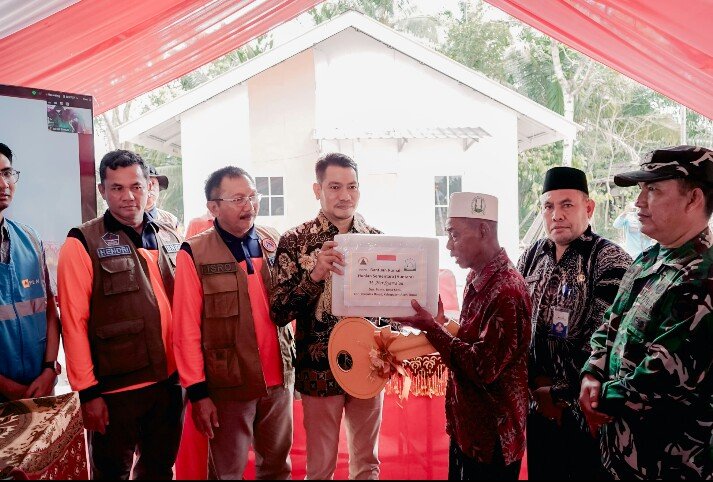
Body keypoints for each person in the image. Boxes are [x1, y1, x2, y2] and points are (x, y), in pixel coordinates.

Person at [580, 145, 713, 480]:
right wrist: (591, 372)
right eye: (641, 190)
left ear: (693, 199)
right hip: (620, 456)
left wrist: (598, 400)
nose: (638, 202)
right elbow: (609, 325)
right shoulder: (649, 259)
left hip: (669, 464)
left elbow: (663, 375)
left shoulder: (703, 277)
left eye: (653, 190)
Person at [57, 149, 184, 479]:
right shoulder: (82, 242)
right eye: (117, 188)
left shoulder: (169, 235)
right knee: (111, 473)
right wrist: (88, 393)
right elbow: (73, 323)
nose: (129, 196)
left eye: (136, 186)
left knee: (159, 471)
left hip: (170, 385)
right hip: (115, 392)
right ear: (103, 191)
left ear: (149, 186)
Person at [394, 192, 531, 480]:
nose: (449, 245)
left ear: (483, 231)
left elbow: (482, 368)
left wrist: (433, 329)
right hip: (468, 430)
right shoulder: (478, 277)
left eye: (454, 235)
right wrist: (441, 324)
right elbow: (471, 339)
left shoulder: (506, 291)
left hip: (493, 438)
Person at [173, 166, 295, 479]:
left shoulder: (272, 240)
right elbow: (185, 329)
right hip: (229, 383)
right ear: (213, 207)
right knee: (227, 472)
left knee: (278, 468)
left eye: (253, 197)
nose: (249, 205)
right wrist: (198, 393)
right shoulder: (194, 253)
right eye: (238, 199)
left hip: (278, 380)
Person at [271, 152, 383, 480]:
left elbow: (388, 311)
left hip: (369, 365)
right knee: (320, 468)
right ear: (317, 189)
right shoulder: (295, 241)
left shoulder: (377, 240)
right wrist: (315, 275)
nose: (345, 195)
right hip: (318, 369)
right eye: (334, 187)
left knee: (368, 464)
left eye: (352, 186)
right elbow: (279, 312)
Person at [517, 166, 631, 480]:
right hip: (538, 408)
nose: (557, 215)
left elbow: (605, 337)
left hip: (585, 411)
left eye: (567, 204)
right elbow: (517, 323)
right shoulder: (531, 256)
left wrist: (556, 392)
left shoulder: (609, 259)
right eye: (548, 206)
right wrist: (536, 386)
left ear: (588, 208)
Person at [0, 142, 61, 402]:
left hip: (41, 387)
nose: (4, 184)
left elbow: (49, 309)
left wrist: (49, 369)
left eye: (7, 173)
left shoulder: (30, 238)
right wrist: (8, 388)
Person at [146, 165, 180, 232]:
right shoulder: (126, 220)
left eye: (153, 183)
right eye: (145, 184)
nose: (150, 188)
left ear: (159, 188)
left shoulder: (171, 220)